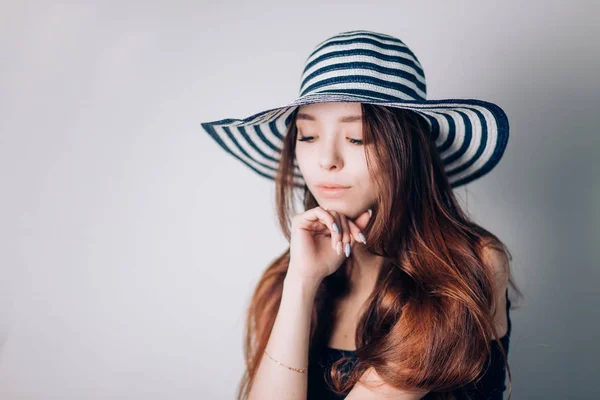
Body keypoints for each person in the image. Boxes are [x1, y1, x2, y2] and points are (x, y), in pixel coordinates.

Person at [200, 30, 522, 400]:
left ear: (406, 150)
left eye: (357, 137)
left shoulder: (469, 266)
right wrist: (301, 284)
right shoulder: (287, 278)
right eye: (307, 136)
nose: (326, 160)